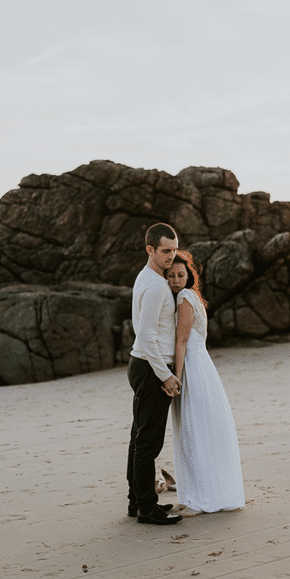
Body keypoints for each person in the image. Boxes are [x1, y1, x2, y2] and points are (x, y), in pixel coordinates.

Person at [166, 252, 245, 516]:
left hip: (193, 368)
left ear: (189, 277)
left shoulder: (185, 298)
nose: (176, 280)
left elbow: (182, 342)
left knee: (194, 431)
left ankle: (201, 500)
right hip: (202, 366)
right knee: (200, 430)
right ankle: (201, 493)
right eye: (171, 275)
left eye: (181, 275)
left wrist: (176, 378)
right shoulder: (193, 297)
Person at [126, 223, 183, 525]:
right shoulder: (156, 285)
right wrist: (165, 375)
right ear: (150, 249)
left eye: (174, 250)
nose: (171, 257)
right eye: (165, 251)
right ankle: (147, 507)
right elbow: (146, 334)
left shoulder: (147, 277)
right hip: (150, 367)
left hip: (144, 364)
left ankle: (137, 501)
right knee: (148, 443)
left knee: (139, 440)